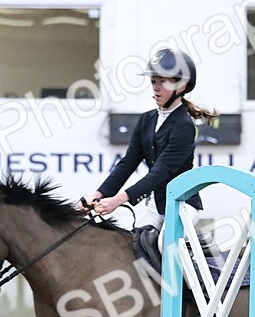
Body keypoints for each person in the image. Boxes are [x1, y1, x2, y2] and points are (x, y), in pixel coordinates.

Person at [82, 48, 217, 230]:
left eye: (163, 82)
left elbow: (160, 172)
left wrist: (118, 200)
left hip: (182, 204)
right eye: (154, 81)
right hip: (156, 204)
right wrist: (98, 195)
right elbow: (128, 163)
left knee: (165, 241)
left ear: (181, 86)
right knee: (134, 241)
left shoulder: (184, 126)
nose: (156, 87)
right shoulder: (146, 120)